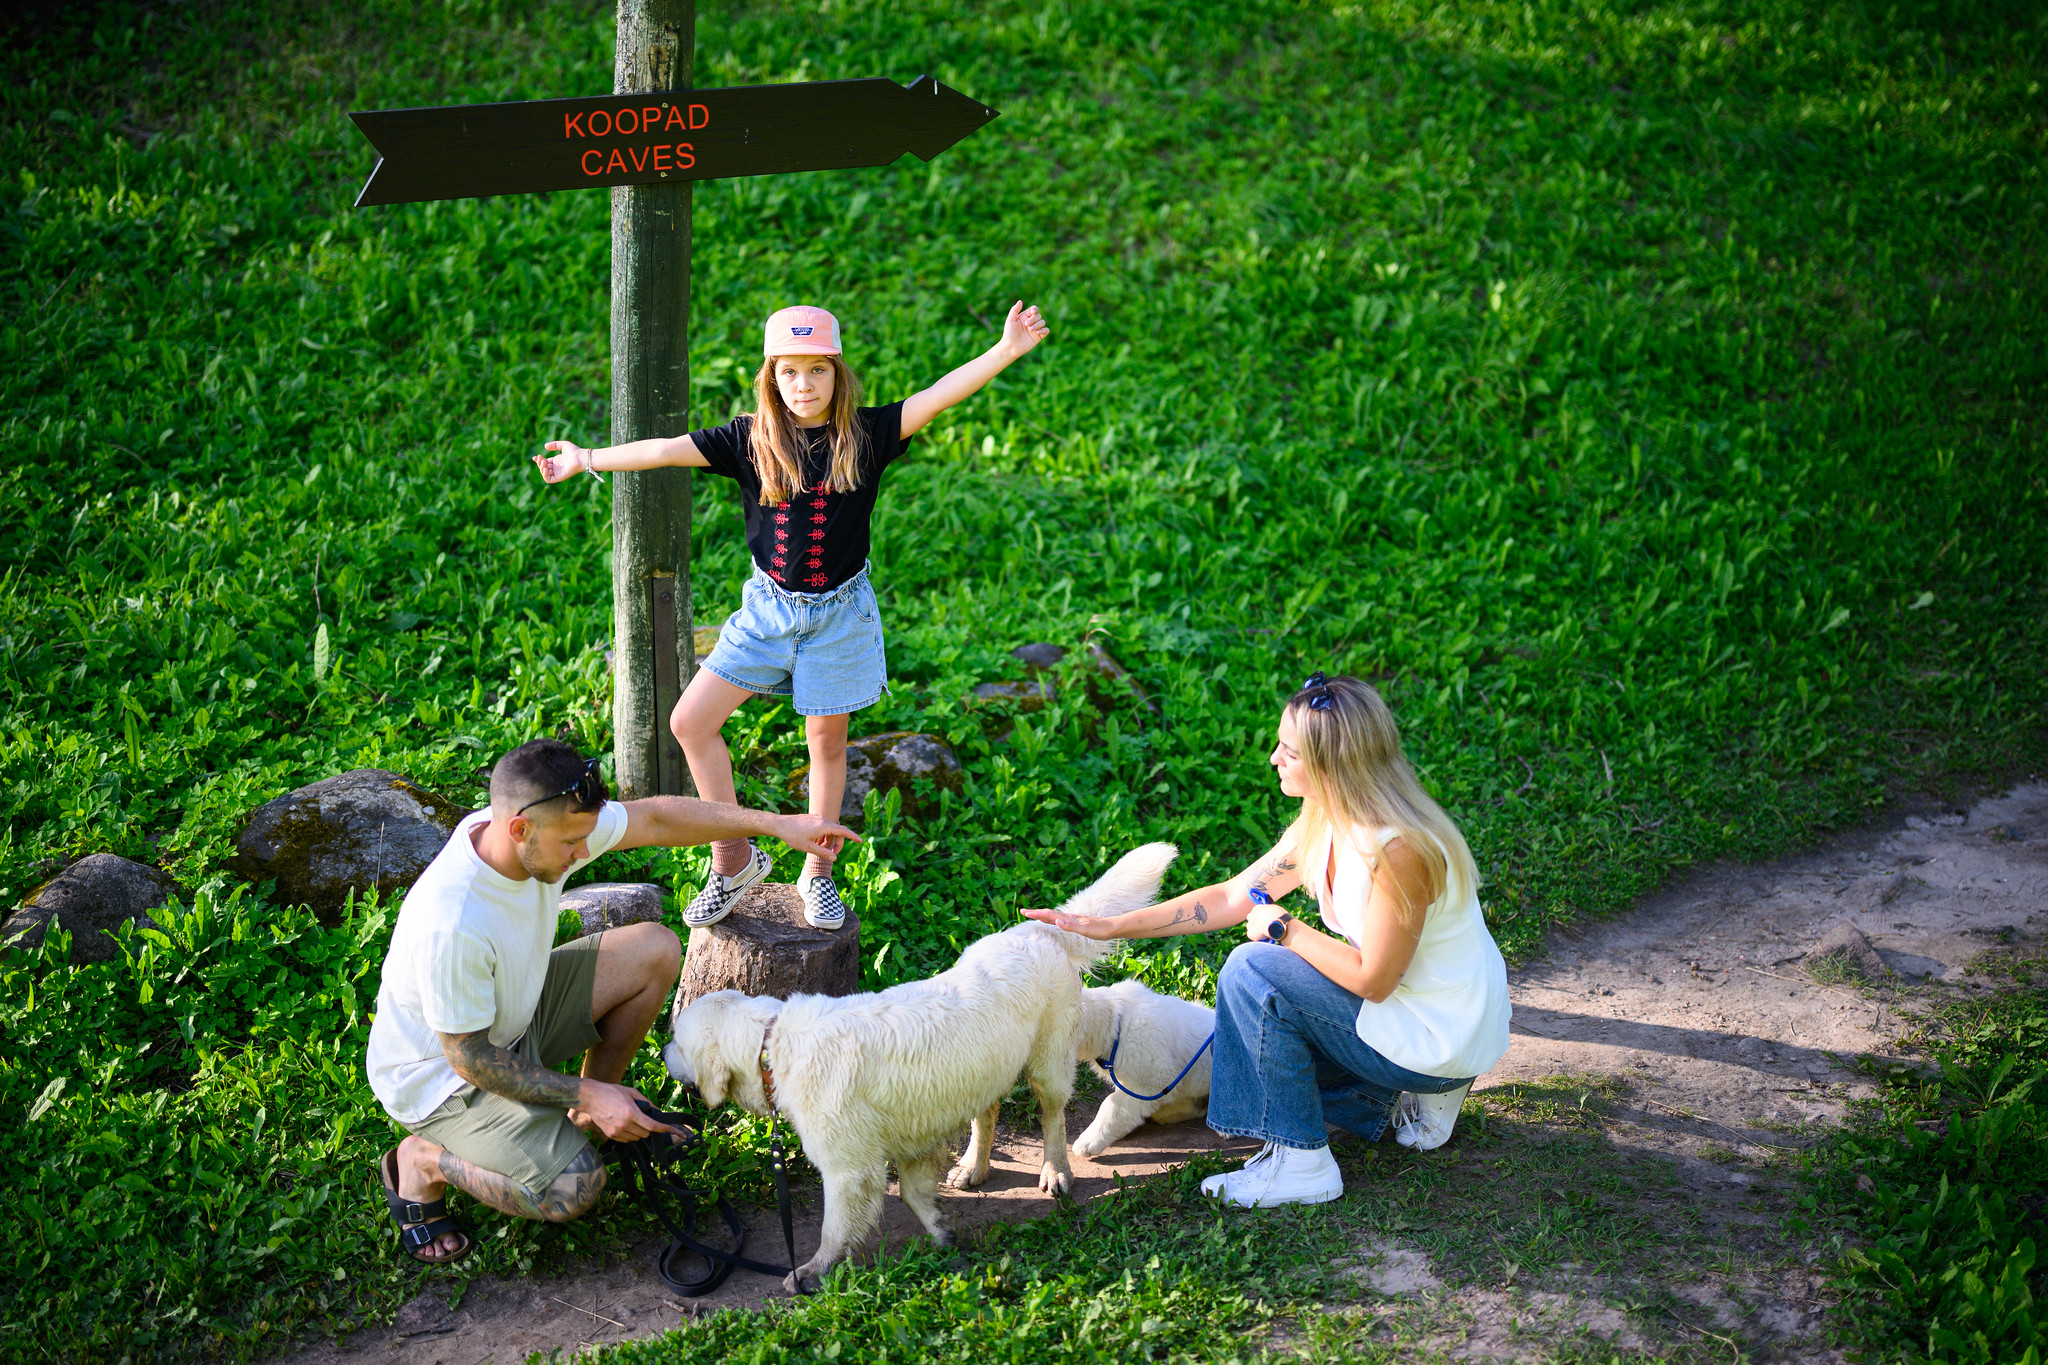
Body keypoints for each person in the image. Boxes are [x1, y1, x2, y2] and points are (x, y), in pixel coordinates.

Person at [534, 301, 1051, 934]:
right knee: (690, 721)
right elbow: (667, 450)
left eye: (817, 371)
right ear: (770, 378)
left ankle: (818, 872)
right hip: (767, 611)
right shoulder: (750, 439)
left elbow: (938, 395)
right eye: (789, 373)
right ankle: (732, 856)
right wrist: (587, 458)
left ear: (838, 374)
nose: (803, 386)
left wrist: (1006, 350)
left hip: (839, 617)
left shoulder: (867, 434)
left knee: (825, 742)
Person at [1024, 673, 1509, 1208]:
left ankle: (1303, 1164)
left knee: (1253, 972)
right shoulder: (1326, 819)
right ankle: (1399, 1100)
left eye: (1289, 751)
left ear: (1331, 765)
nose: (1275, 758)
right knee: (1260, 1052)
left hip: (1441, 1029)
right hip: (1422, 1014)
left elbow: (1373, 980)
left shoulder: (1399, 850)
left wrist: (1286, 930)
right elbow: (1233, 897)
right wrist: (1109, 926)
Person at [366, 737, 857, 1264]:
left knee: (653, 949)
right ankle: (423, 1163)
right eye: (572, 843)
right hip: (443, 1080)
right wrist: (584, 1093)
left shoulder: (538, 822)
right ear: (518, 829)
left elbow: (656, 821)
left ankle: (592, 1109)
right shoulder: (454, 921)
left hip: (511, 1019)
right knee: (573, 1186)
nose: (584, 852)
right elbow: (469, 1058)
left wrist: (776, 825)